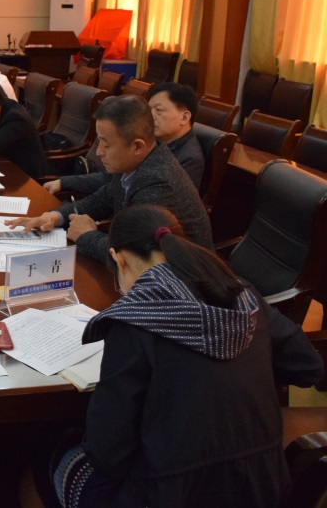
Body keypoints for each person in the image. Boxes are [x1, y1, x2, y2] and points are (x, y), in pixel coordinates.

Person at [52, 205, 322, 508]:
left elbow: (107, 453)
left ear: (118, 259)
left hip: (173, 495)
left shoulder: (135, 319)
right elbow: (309, 367)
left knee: (48, 455)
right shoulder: (242, 294)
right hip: (262, 486)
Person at [7, 95, 212, 264]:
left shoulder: (157, 183)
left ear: (137, 146)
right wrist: (55, 216)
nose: (99, 152)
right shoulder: (135, 163)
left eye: (106, 144)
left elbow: (134, 257)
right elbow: (100, 200)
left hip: (185, 284)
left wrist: (86, 235)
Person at [46, 82, 204, 196]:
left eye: (159, 110)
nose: (151, 116)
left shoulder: (190, 158)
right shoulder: (155, 141)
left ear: (184, 117)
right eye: (149, 109)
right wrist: (65, 182)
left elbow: (161, 208)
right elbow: (114, 179)